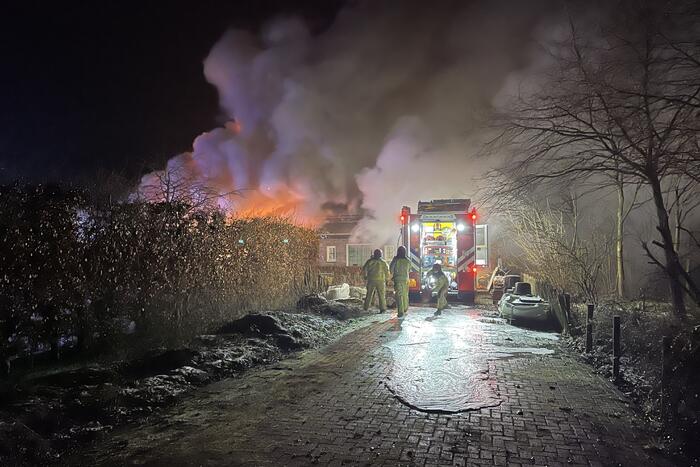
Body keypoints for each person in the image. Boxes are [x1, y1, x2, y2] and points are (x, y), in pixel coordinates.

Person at [362, 249, 390, 313]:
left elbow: (364, 269)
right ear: (381, 255)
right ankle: (383, 308)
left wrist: (365, 276)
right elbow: (387, 272)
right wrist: (387, 280)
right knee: (381, 295)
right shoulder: (384, 262)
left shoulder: (369, 261)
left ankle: (366, 307)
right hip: (381, 281)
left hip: (371, 280)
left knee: (369, 294)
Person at [390, 246, 411, 317]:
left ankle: (400, 312)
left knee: (399, 295)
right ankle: (405, 308)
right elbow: (409, 269)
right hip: (406, 279)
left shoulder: (395, 260)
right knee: (405, 294)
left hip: (398, 279)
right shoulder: (408, 260)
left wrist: (394, 260)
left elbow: (391, 269)